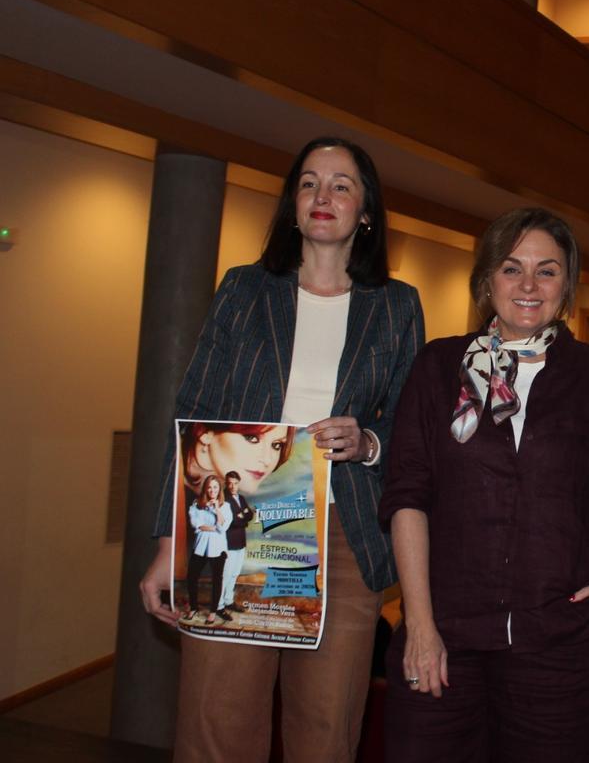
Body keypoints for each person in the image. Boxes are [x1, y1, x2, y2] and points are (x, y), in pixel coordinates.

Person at [138, 137, 425, 763]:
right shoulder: (243, 290)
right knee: (219, 720)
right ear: (292, 205)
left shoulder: (398, 305)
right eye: (309, 183)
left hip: (343, 532)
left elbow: (409, 426)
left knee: (326, 731)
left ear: (366, 211)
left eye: (342, 185)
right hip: (238, 518)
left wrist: (368, 441)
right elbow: (192, 411)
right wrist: (170, 542)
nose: (323, 196)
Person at [381, 207, 589, 762]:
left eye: (546, 270)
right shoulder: (438, 366)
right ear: (486, 281)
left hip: (560, 645)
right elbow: (408, 495)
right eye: (511, 268)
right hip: (445, 636)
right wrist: (420, 626)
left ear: (566, 285)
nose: (528, 285)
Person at [184, 474, 231, 624]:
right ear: (205, 488)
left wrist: (217, 510)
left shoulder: (226, 506)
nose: (212, 490)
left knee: (217, 580)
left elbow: (223, 527)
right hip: (200, 547)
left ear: (219, 489)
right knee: (192, 577)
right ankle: (193, 607)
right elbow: (196, 525)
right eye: (209, 487)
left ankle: (213, 611)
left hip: (218, 548)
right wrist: (215, 527)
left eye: (215, 487)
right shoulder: (197, 504)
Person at [218, 470, 254, 614]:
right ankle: (219, 605)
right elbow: (230, 521)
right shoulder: (223, 499)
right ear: (226, 484)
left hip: (240, 541)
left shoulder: (242, 498)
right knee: (226, 574)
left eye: (235, 483)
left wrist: (241, 516)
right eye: (230, 483)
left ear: (239, 483)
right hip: (228, 542)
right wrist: (241, 517)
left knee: (234, 574)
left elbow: (249, 515)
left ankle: (228, 601)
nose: (233, 486)